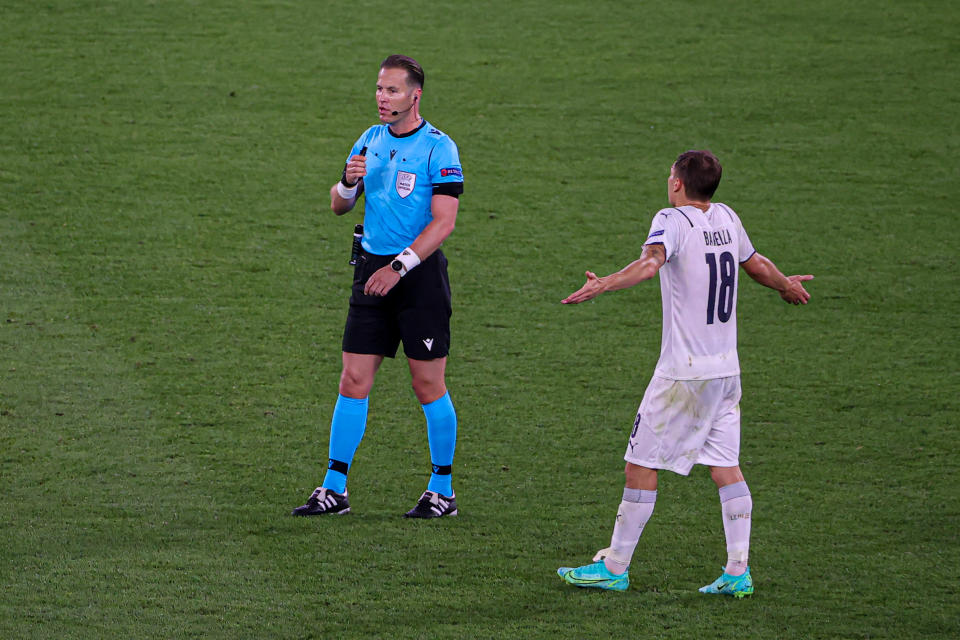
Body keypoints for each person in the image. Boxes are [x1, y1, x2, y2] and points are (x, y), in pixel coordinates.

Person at [556, 150, 812, 596]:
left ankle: (614, 567)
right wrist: (786, 283)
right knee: (726, 467)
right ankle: (738, 572)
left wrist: (604, 283)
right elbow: (756, 263)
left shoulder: (672, 221)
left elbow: (651, 261)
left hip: (683, 375)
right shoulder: (727, 217)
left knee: (640, 462)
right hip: (726, 372)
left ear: (677, 183)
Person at [292, 54, 464, 519]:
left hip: (418, 277)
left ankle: (442, 491)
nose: (382, 98)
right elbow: (338, 205)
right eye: (379, 89)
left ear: (415, 95)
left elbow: (444, 223)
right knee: (352, 379)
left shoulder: (439, 148)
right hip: (370, 271)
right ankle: (334, 488)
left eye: (391, 90)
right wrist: (348, 186)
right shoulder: (370, 140)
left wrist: (400, 268)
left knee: (427, 383)